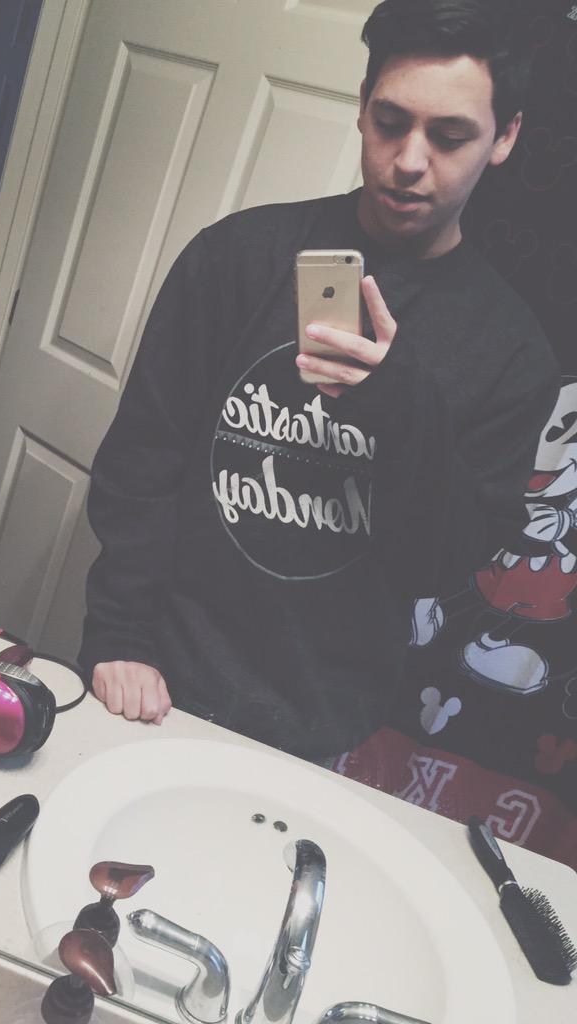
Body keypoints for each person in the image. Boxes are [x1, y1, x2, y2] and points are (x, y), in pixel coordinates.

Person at [77, 0, 560, 762]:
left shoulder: (512, 352)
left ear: (504, 137)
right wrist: (120, 635)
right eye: (391, 122)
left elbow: (446, 564)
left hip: (322, 720)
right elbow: (143, 459)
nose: (409, 160)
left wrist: (402, 407)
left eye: (449, 136)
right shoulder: (238, 257)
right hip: (153, 676)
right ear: (362, 108)